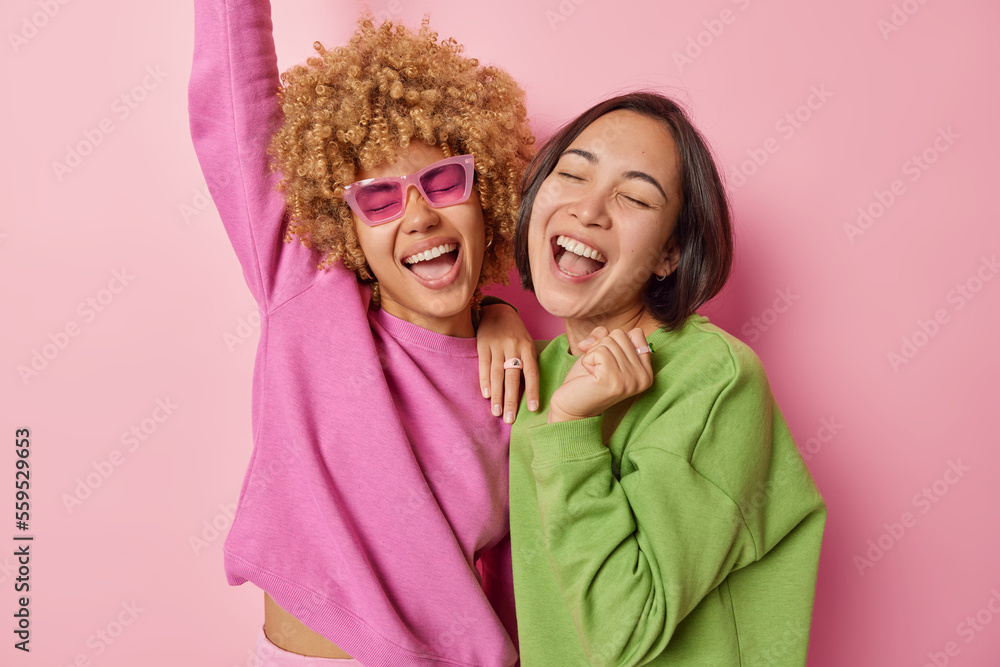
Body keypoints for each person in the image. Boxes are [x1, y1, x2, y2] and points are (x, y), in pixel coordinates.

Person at [188, 0, 537, 664]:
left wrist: (501, 313)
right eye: (378, 197)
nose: (418, 215)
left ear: (486, 194)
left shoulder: (519, 380)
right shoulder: (307, 297)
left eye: (442, 181)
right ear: (346, 229)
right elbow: (235, 100)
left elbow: (528, 586)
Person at [508, 92, 826, 666]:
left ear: (669, 255)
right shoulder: (531, 369)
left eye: (632, 197)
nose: (589, 209)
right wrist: (489, 317)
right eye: (572, 174)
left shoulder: (715, 380)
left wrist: (572, 425)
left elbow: (623, 634)